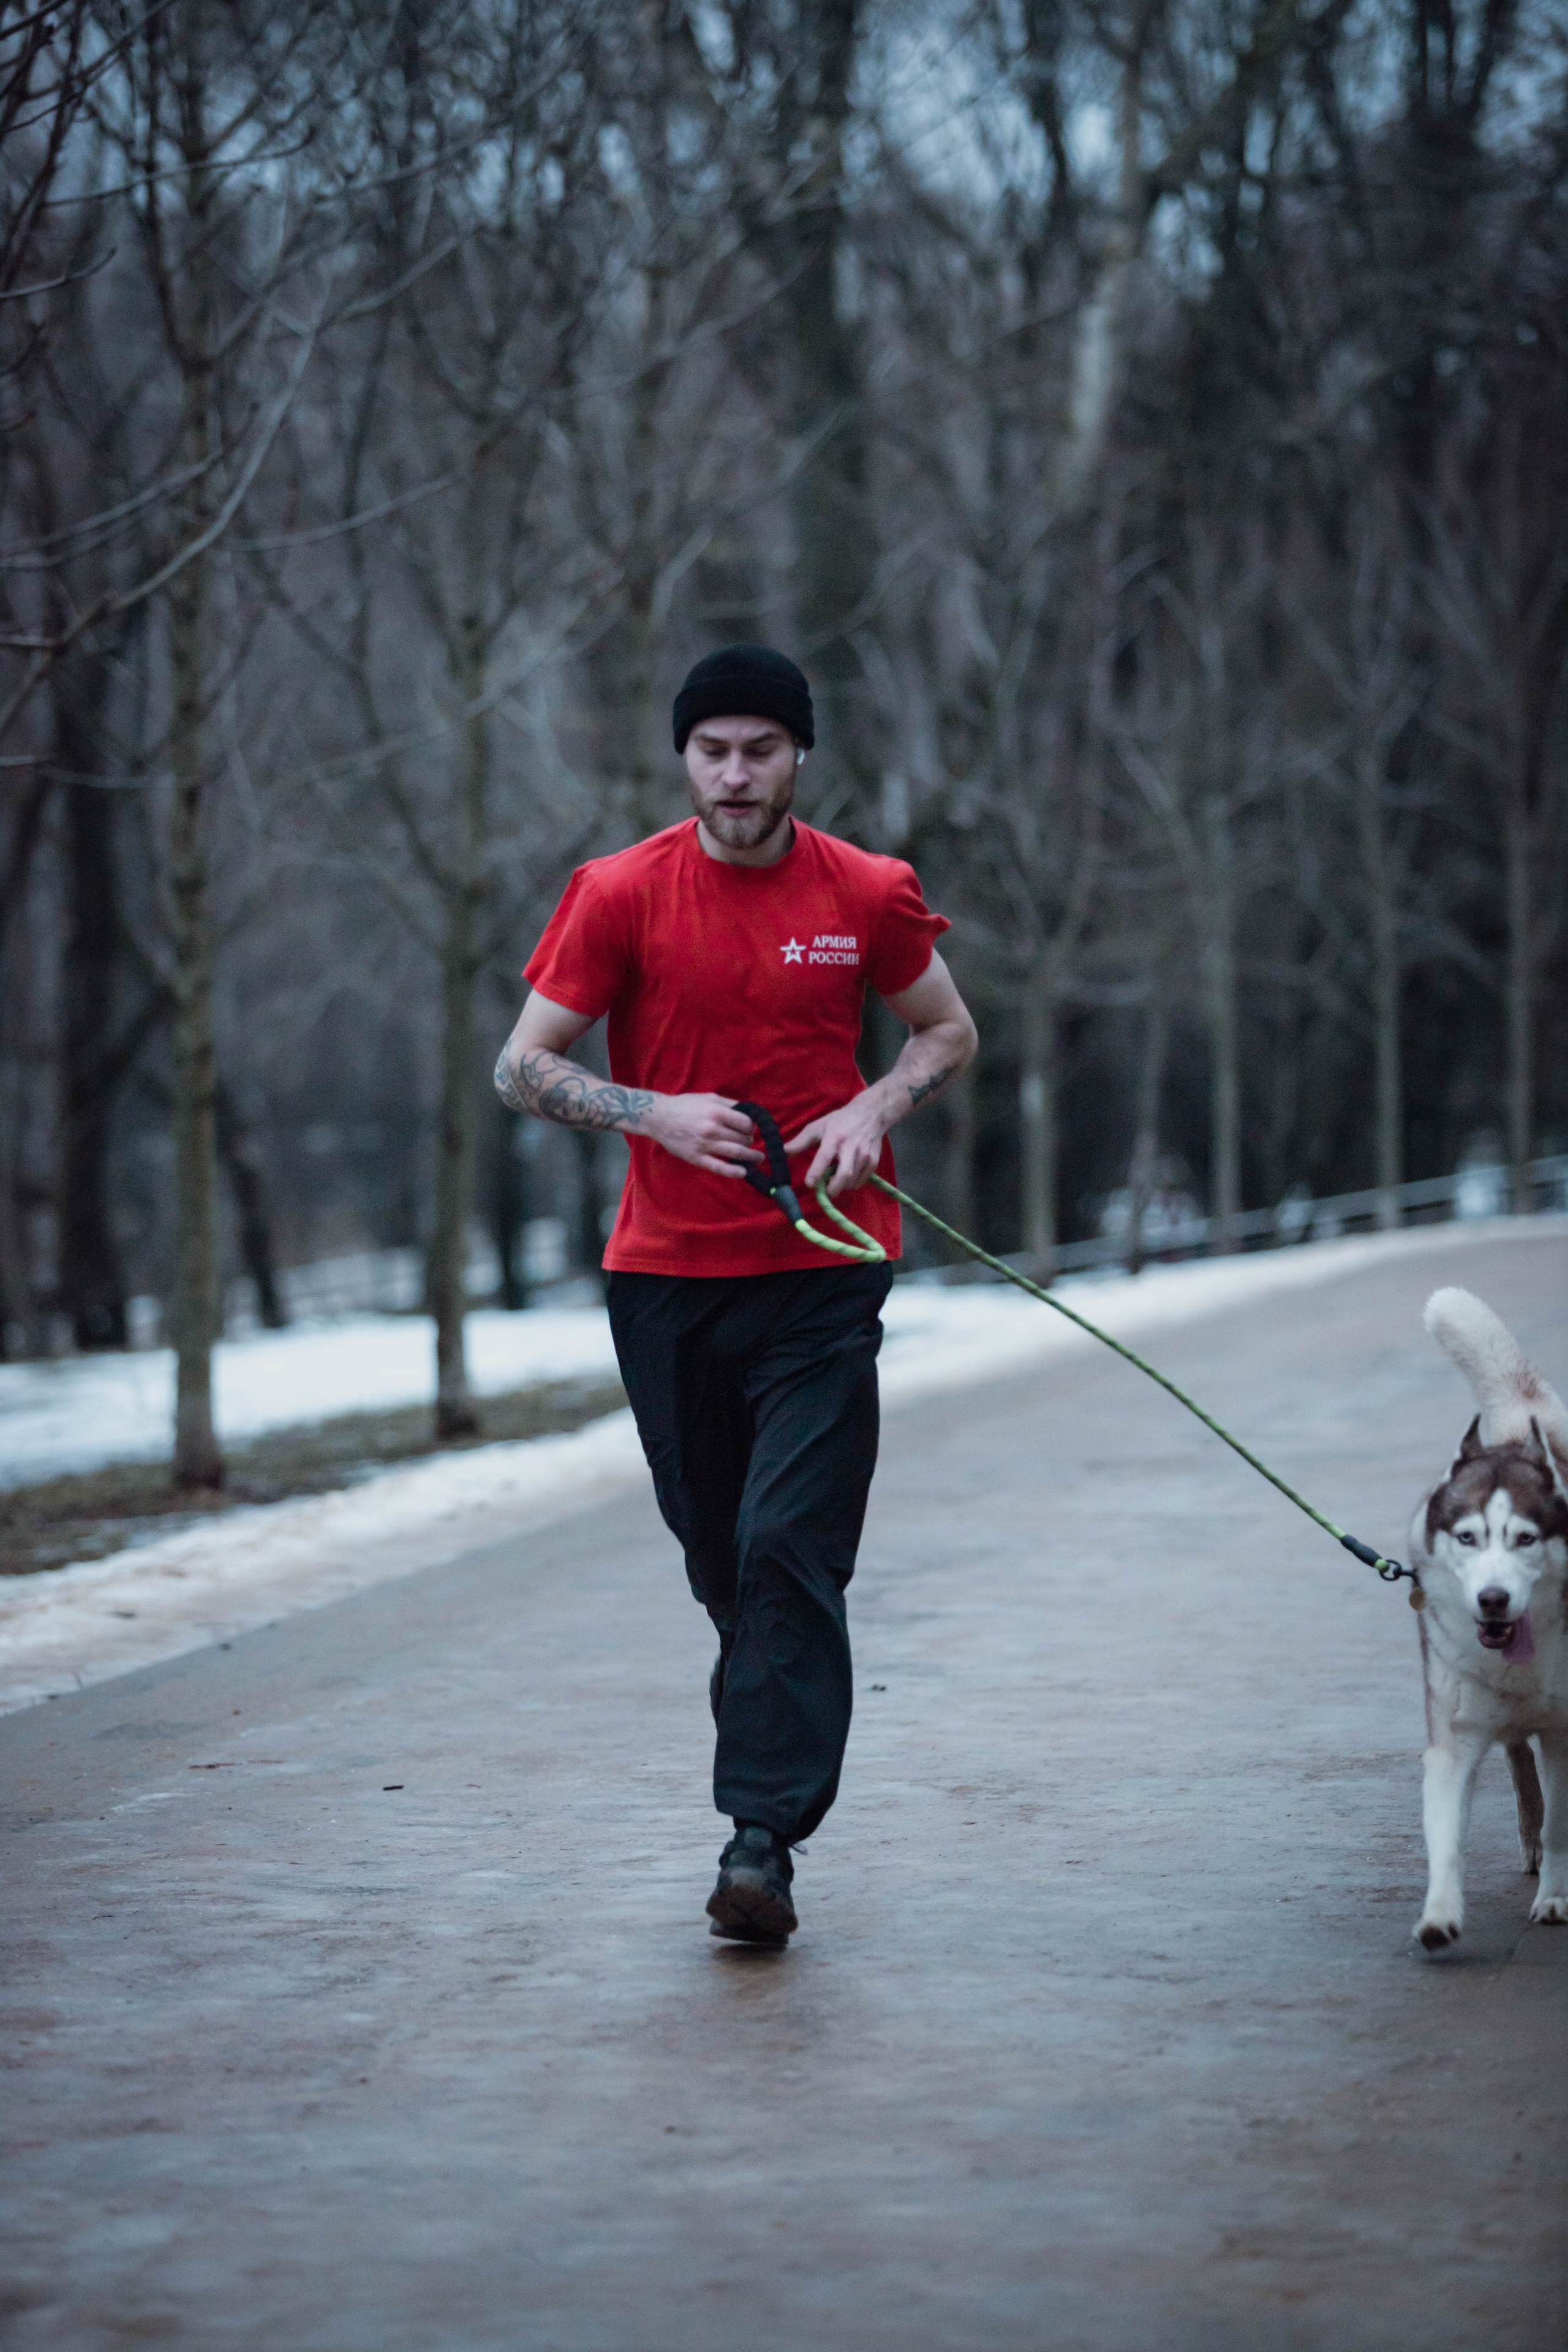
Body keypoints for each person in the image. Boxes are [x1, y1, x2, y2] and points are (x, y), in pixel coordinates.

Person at [496, 644, 977, 1945]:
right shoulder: (617, 893)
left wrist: (874, 1109)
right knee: (722, 1559)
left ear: (797, 755)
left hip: (825, 1266)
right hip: (665, 1281)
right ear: (684, 759)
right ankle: (764, 1697)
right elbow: (520, 1066)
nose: (736, 774)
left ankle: (759, 1841)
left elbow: (946, 1029)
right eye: (712, 751)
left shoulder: (866, 889)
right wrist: (649, 1111)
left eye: (761, 749)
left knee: (787, 1546)